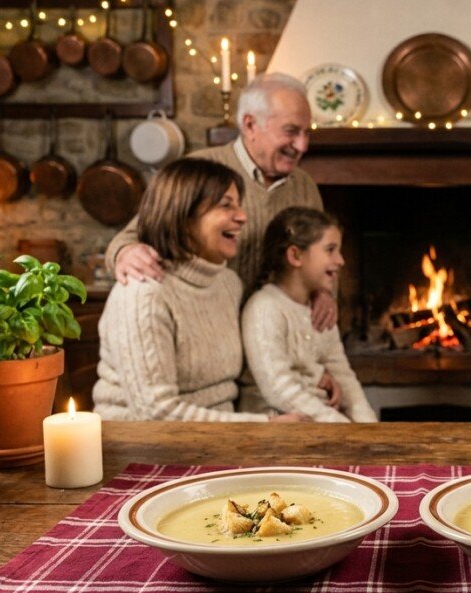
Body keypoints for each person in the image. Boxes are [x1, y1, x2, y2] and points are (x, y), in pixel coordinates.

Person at [105, 73, 338, 332]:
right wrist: (126, 254)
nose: (303, 145)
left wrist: (324, 292)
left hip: (274, 336)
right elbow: (129, 239)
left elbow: (321, 255)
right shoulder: (202, 172)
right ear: (250, 125)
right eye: (291, 131)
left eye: (307, 133)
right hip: (208, 329)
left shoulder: (304, 185)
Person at [93, 158, 303, 423]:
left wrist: (314, 376)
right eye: (226, 205)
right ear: (183, 215)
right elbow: (155, 412)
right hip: (143, 448)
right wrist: (264, 426)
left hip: (221, 440)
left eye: (239, 204)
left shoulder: (228, 283)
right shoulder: (144, 295)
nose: (242, 216)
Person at [241, 207, 377, 423]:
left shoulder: (320, 309)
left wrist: (369, 427)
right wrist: (340, 426)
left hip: (321, 420)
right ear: (295, 255)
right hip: (279, 424)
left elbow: (343, 374)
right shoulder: (265, 308)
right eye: (330, 249)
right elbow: (278, 388)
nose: (340, 260)